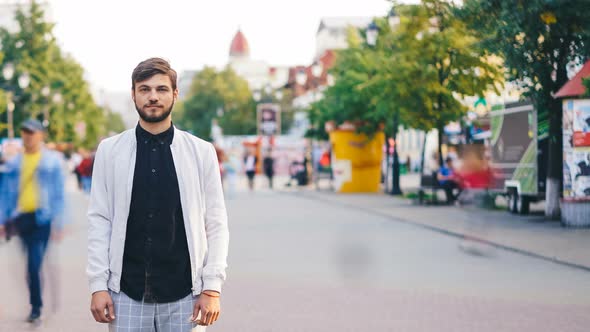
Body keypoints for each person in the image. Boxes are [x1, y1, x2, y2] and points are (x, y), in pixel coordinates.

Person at [87, 58, 229, 331]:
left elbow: (216, 222)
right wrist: (97, 285)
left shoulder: (200, 152)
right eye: (144, 89)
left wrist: (212, 288)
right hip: (126, 293)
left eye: (162, 89)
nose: (153, 96)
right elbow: (99, 220)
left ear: (175, 94)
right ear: (133, 94)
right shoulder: (110, 150)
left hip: (186, 295)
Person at [0, 119, 65, 323]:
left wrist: (59, 222)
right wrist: (2, 219)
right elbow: (5, 193)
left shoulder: (51, 161)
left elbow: (59, 193)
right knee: (31, 265)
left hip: (43, 218)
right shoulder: (14, 163)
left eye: (32, 132)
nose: (28, 136)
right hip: (21, 219)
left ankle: (36, 307)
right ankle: (35, 303)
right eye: (25, 132)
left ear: (40, 135)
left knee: (34, 263)